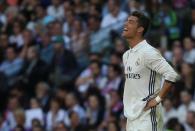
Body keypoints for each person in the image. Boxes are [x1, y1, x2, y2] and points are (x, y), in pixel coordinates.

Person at [122, 11, 179, 131]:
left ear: (140, 29)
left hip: (147, 116)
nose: (125, 24)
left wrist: (158, 99)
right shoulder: (126, 55)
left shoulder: (148, 52)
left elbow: (172, 75)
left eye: (131, 22)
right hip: (131, 117)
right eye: (126, 21)